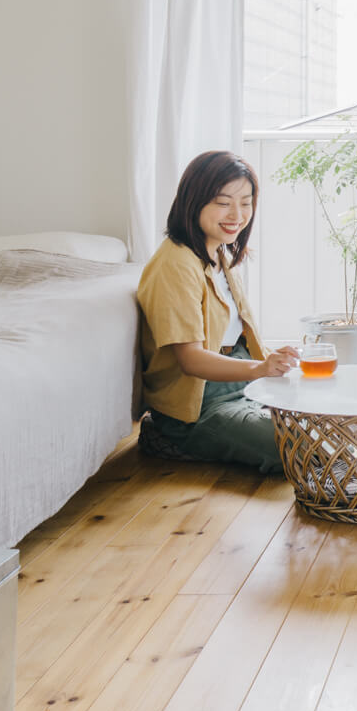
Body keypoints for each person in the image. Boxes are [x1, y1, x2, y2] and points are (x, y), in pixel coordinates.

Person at [136, 150, 301, 473]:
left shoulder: (218, 254)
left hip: (238, 380)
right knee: (302, 447)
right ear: (193, 200)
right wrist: (259, 369)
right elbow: (191, 360)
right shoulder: (174, 265)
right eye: (223, 202)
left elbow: (237, 336)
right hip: (200, 403)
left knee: (333, 422)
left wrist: (275, 363)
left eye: (246, 201)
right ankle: (169, 437)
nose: (237, 215)